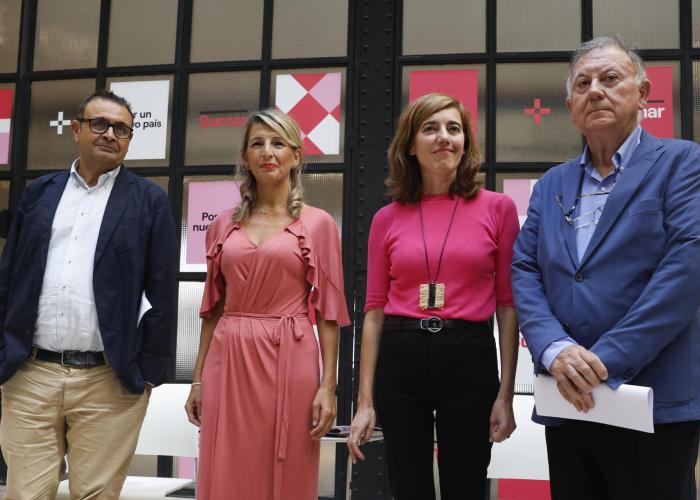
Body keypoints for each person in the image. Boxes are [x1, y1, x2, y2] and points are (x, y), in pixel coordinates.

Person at [512, 36, 700, 500]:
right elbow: (524, 269)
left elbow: (687, 270)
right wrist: (553, 350)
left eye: (610, 78)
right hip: (568, 401)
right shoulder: (551, 185)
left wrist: (602, 362)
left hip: (653, 400)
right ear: (571, 107)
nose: (595, 91)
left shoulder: (683, 163)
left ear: (643, 93)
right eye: (582, 84)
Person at [0, 89, 176, 498]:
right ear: (76, 129)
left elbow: (163, 292)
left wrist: (147, 373)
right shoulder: (40, 193)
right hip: (31, 374)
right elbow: (10, 275)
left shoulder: (149, 201)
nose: (110, 134)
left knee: (94, 495)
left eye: (121, 129)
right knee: (25, 493)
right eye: (100, 124)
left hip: (107, 380)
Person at [347, 93, 520, 500]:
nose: (444, 137)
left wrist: (506, 395)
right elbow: (374, 313)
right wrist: (364, 402)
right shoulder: (386, 218)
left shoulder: (498, 209)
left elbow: (507, 306)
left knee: (466, 485)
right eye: (431, 128)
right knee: (408, 486)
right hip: (401, 357)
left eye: (453, 129)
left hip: (469, 355)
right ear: (410, 145)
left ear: (465, 143)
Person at [184, 109, 350, 500]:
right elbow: (213, 309)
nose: (267, 152)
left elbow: (328, 315)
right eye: (257, 144)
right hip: (228, 355)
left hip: (290, 354)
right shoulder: (222, 224)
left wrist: (328, 387)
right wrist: (197, 379)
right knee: (224, 463)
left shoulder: (319, 224)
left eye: (278, 143)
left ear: (296, 156)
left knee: (288, 462)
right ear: (245, 157)